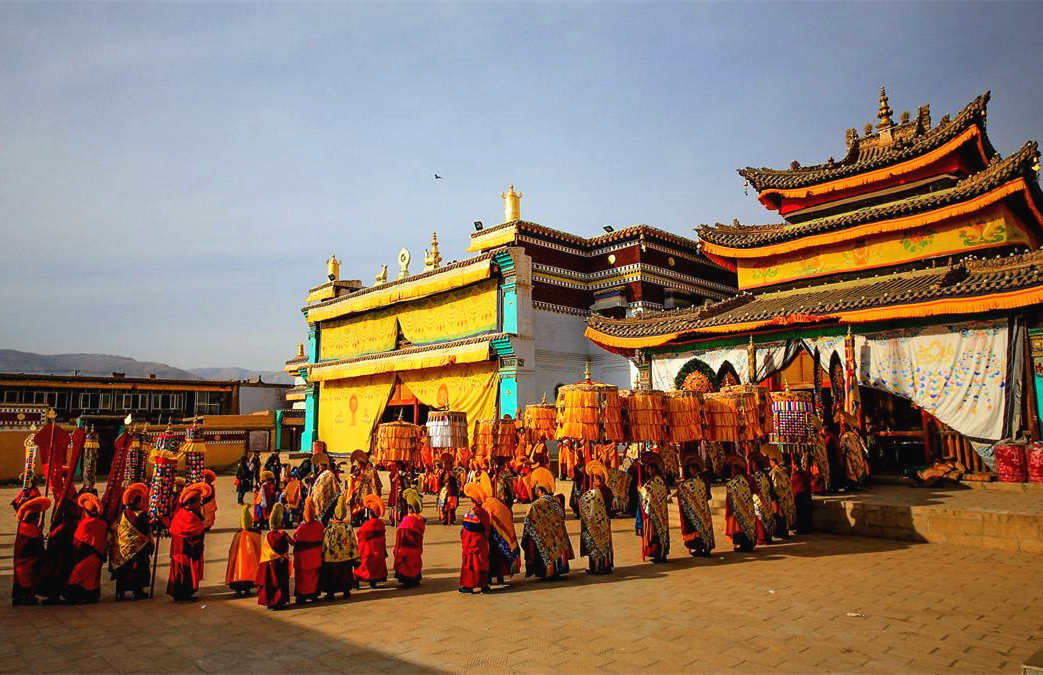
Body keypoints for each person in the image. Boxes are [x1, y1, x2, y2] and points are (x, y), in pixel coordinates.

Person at [521, 475, 574, 581]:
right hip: (557, 535)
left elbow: (528, 521)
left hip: (544, 535)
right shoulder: (556, 501)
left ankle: (547, 573)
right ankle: (557, 571)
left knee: (544, 549)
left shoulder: (536, 505)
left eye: (537, 491)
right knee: (556, 549)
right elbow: (561, 515)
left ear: (541, 491)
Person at [37, 482, 80, 604]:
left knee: (59, 570)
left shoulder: (69, 506)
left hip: (63, 545)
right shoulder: (63, 503)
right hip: (60, 545)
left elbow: (67, 523)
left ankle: (57, 594)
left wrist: (52, 534)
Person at [109, 483, 153, 601]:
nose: (143, 503)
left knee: (124, 570)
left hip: (123, 548)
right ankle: (138, 591)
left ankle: (121, 592)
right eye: (141, 501)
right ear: (136, 502)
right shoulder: (140, 515)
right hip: (137, 548)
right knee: (138, 568)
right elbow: (144, 529)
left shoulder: (123, 513)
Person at [64, 492, 108, 604]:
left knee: (76, 576)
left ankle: (77, 596)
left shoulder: (85, 524)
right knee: (92, 579)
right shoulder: (103, 524)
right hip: (98, 557)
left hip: (86, 556)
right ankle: (91, 596)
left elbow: (77, 542)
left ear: (86, 512)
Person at [167, 483, 208, 602]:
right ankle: (184, 594)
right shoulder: (189, 517)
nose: (200, 504)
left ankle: (182, 594)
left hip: (179, 550)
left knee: (181, 572)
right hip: (184, 551)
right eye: (198, 501)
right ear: (191, 503)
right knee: (184, 573)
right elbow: (194, 531)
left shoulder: (182, 513)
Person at [577, 461, 614, 574]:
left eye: (595, 479)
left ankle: (596, 567)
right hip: (605, 521)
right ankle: (605, 565)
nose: (593, 481)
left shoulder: (595, 492)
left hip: (596, 522)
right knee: (604, 543)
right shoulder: (606, 490)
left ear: (599, 480)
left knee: (596, 543)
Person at [321, 494, 359, 600]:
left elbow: (325, 543)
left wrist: (323, 554)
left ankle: (331, 594)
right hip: (346, 556)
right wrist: (355, 556)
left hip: (332, 557)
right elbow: (353, 542)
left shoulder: (330, 528)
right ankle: (346, 591)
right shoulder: (348, 527)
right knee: (345, 574)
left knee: (331, 576)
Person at [13, 496, 50, 605]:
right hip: (27, 562)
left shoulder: (23, 525)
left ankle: (21, 596)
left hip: (21, 560)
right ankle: (27, 597)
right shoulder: (31, 530)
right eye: (37, 516)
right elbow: (38, 549)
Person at [675, 458, 715, 557]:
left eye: (694, 468)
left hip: (700, 510)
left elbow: (706, 494)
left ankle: (702, 547)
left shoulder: (695, 482)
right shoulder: (699, 481)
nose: (692, 470)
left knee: (699, 528)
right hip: (697, 510)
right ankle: (701, 547)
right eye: (691, 468)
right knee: (698, 528)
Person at [256, 503, 292, 610]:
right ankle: (280, 602)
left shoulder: (268, 535)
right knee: (281, 583)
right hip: (282, 562)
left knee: (271, 583)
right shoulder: (283, 534)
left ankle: (271, 602)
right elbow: (293, 542)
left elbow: (265, 551)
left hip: (270, 563)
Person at [483, 484, 520, 586]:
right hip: (501, 538)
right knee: (500, 558)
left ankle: (490, 579)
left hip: (492, 536)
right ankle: (500, 578)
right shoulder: (501, 506)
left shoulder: (487, 505)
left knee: (492, 558)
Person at [636, 454, 670, 563]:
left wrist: (641, 490)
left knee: (657, 532)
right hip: (657, 510)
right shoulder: (655, 480)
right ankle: (658, 554)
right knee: (656, 532)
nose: (649, 471)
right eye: (648, 469)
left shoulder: (657, 480)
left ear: (654, 469)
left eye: (650, 469)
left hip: (657, 510)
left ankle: (660, 554)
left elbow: (651, 492)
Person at [459, 482, 491, 594]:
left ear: (473, 502)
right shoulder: (484, 512)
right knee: (482, 562)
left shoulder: (473, 513)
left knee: (471, 563)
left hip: (472, 543)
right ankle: (484, 585)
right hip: (482, 542)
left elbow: (467, 530)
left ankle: (469, 585)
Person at [293, 497, 325, 604]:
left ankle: (301, 596)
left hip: (302, 559)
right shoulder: (319, 525)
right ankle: (313, 594)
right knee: (314, 576)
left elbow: (295, 538)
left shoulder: (301, 528)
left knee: (301, 578)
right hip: (315, 557)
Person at [226, 505, 261, 596]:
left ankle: (239, 590)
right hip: (250, 564)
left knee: (238, 572)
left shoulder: (238, 535)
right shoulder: (254, 534)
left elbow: (232, 551)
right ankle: (247, 589)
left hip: (237, 568)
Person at [724, 457, 758, 552]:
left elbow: (729, 499)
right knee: (747, 526)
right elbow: (755, 491)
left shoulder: (732, 483)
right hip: (748, 508)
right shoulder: (749, 479)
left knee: (739, 527)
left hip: (738, 509)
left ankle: (742, 545)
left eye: (734, 468)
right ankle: (748, 543)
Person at [393, 488, 426, 587]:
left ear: (410, 508)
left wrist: (396, 550)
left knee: (405, 564)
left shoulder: (407, 521)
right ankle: (415, 579)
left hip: (405, 550)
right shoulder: (419, 521)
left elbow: (400, 538)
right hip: (416, 549)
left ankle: (406, 580)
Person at [355, 494, 388, 588]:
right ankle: (374, 582)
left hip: (368, 553)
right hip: (379, 552)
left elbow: (360, 535)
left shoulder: (367, 525)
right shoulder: (381, 524)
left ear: (370, 514)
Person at [311, 454, 342, 524]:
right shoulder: (321, 475)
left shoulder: (329, 475)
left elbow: (335, 489)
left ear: (323, 466)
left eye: (320, 465)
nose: (319, 467)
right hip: (320, 502)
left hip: (326, 502)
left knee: (323, 521)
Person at [769, 459, 797, 537]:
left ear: (773, 462)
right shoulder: (784, 471)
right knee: (786, 513)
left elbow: (776, 485)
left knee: (781, 514)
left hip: (780, 496)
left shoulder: (775, 472)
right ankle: (785, 531)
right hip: (786, 495)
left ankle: (782, 532)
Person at [791, 454, 813, 534]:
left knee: (801, 514)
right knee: (805, 513)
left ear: (795, 465)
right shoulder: (803, 472)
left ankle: (801, 529)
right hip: (805, 494)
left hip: (799, 495)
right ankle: (806, 528)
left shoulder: (796, 474)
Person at [437, 454, 460, 526]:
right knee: (444, 505)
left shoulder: (453, 472)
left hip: (451, 491)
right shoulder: (443, 473)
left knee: (451, 507)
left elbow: (455, 481)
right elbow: (440, 482)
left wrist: (450, 478)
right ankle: (445, 518)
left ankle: (451, 519)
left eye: (446, 464)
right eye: (444, 464)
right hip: (444, 491)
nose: (444, 465)